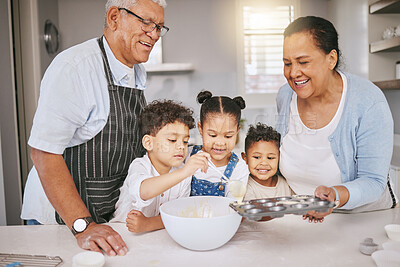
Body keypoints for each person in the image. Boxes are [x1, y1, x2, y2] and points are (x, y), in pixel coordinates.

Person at [20, 0, 169, 256]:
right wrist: (82, 226)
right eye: (146, 23)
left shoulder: (136, 72)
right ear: (114, 18)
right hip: (63, 222)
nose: (154, 34)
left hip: (103, 217)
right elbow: (43, 153)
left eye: (159, 27)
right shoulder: (75, 68)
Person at [276, 16, 397, 223]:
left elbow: (373, 182)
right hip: (300, 218)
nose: (293, 72)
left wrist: (335, 195)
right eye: (287, 63)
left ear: (331, 59)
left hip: (360, 220)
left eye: (303, 62)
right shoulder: (285, 95)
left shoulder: (368, 101)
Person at [111, 100, 210, 232]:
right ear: (148, 143)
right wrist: (185, 172)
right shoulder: (140, 165)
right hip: (121, 232)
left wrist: (148, 224)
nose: (181, 146)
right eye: (172, 140)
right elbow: (144, 191)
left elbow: (178, 214)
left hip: (156, 235)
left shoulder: (183, 174)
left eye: (185, 141)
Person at [190, 90, 249, 199]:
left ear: (237, 131)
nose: (220, 143)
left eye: (228, 136)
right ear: (200, 129)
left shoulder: (239, 168)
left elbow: (233, 206)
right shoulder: (188, 156)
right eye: (212, 135)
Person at [242, 123, 293, 200]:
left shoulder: (286, 183)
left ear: (280, 158)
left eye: (270, 158)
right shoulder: (245, 187)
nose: (264, 163)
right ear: (245, 158)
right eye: (257, 157)